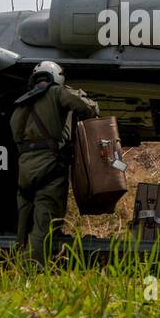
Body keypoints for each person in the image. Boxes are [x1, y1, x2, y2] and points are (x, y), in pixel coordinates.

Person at [11, 61, 99, 263]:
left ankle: (14, 271)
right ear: (57, 76)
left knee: (23, 228)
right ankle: (31, 276)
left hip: (24, 172)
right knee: (43, 227)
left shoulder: (20, 103)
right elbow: (87, 107)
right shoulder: (58, 92)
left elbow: (16, 137)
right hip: (50, 168)